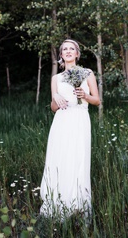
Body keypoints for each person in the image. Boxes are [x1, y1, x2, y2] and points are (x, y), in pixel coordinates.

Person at [40, 39, 101, 219]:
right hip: (61, 121)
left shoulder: (87, 73)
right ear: (61, 55)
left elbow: (97, 101)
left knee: (78, 158)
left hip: (80, 119)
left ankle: (78, 204)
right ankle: (58, 203)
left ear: (77, 54)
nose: (67, 51)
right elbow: (53, 108)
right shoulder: (56, 79)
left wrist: (85, 95)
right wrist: (56, 98)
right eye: (64, 49)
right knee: (60, 159)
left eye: (71, 49)